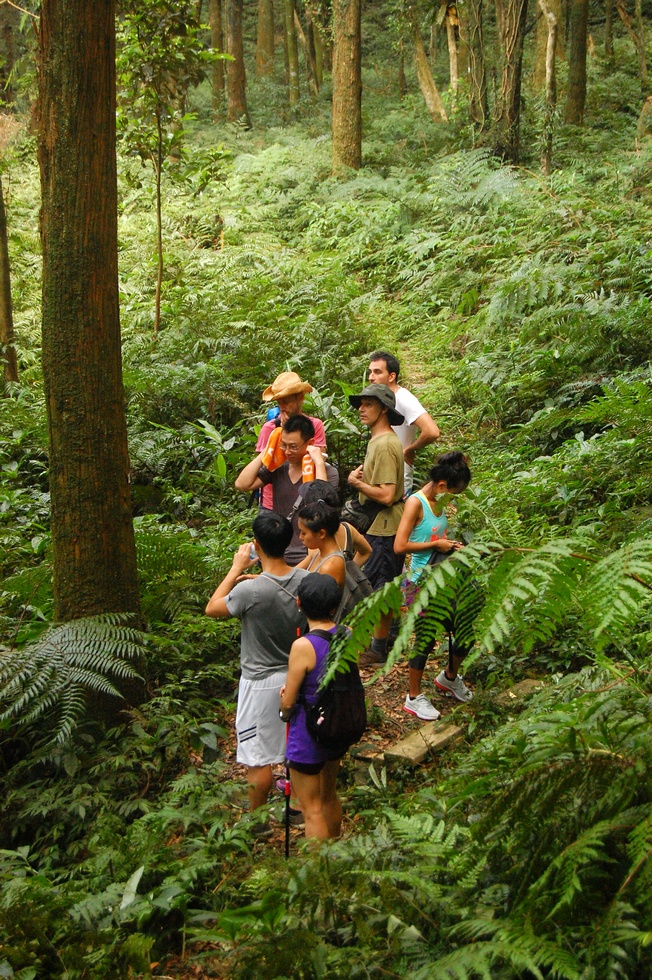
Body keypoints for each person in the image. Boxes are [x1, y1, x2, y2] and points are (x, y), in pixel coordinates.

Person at [205, 511, 308, 834]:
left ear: (256, 546)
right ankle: (296, 808)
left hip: (260, 682)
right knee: (292, 749)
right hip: (296, 675)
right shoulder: (306, 582)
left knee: (258, 757)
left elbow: (213, 608)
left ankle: (257, 822)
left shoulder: (250, 592)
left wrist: (237, 568)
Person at [393, 452, 473, 720]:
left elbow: (438, 534)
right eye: (453, 493)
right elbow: (400, 545)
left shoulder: (439, 502)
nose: (454, 499)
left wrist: (449, 545)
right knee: (425, 639)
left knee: (465, 632)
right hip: (418, 582)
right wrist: (435, 545)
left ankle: (449, 678)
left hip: (443, 579)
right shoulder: (416, 504)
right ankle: (413, 697)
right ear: (441, 486)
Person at [279, 573, 346, 841]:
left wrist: (283, 704)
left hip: (307, 733)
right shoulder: (347, 633)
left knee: (312, 809)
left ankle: (319, 874)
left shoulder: (303, 645)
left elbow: (289, 701)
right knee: (329, 796)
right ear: (334, 605)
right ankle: (335, 850)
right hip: (335, 725)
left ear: (299, 603)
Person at [347, 383, 405, 667]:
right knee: (385, 584)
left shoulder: (383, 444)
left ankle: (378, 649)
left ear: (383, 409)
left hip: (384, 526)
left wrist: (357, 483)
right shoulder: (382, 440)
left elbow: (386, 494)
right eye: (361, 404)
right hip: (383, 524)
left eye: (368, 404)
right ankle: (386, 639)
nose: (361, 409)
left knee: (379, 588)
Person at [235, 415, 339, 566]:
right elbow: (242, 484)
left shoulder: (328, 473)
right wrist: (267, 452)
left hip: (310, 556)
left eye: (294, 446)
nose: (288, 452)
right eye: (284, 445)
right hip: (279, 555)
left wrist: (318, 463)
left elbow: (322, 509)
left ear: (310, 443)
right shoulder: (278, 469)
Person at [368, 351, 440, 496]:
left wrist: (409, 450)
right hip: (383, 471)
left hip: (397, 474)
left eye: (377, 372)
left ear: (392, 376)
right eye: (370, 372)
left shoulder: (403, 398)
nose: (371, 377)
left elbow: (432, 431)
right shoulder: (383, 399)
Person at [256, 371, 327, 510]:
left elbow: (319, 461)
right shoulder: (269, 429)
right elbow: (261, 467)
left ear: (300, 398)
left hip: (304, 499)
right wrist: (280, 435)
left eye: (286, 401)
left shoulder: (315, 426)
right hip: (271, 503)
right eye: (279, 402)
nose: (282, 407)